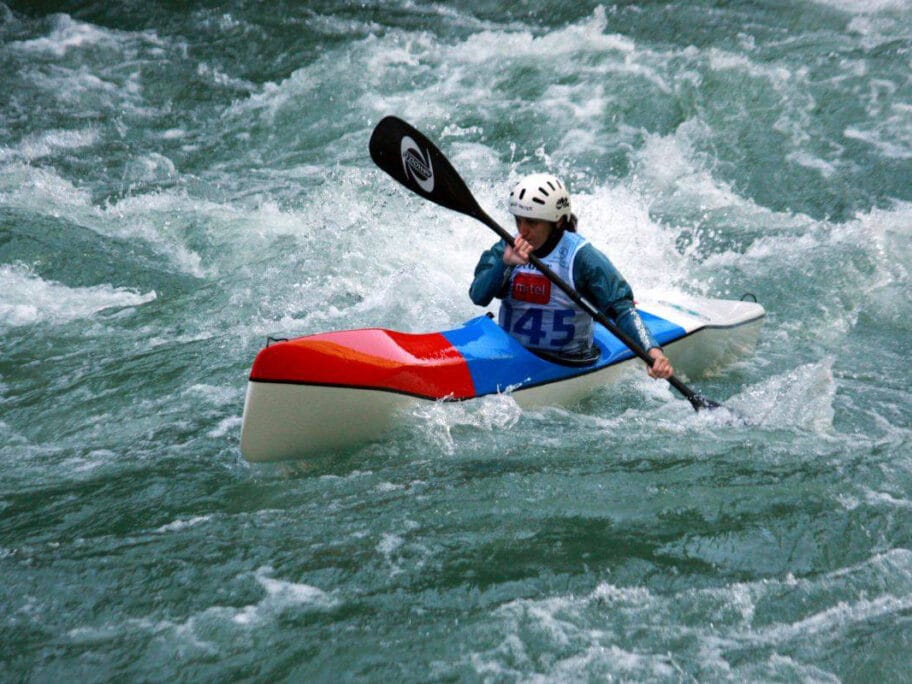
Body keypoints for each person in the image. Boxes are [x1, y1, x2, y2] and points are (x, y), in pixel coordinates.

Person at [469, 173, 673, 379]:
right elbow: (478, 296)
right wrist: (504, 265)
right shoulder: (507, 248)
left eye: (532, 222)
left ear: (557, 222)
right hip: (514, 355)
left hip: (569, 362)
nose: (523, 231)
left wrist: (653, 353)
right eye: (518, 220)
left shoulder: (582, 257)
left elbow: (621, 308)